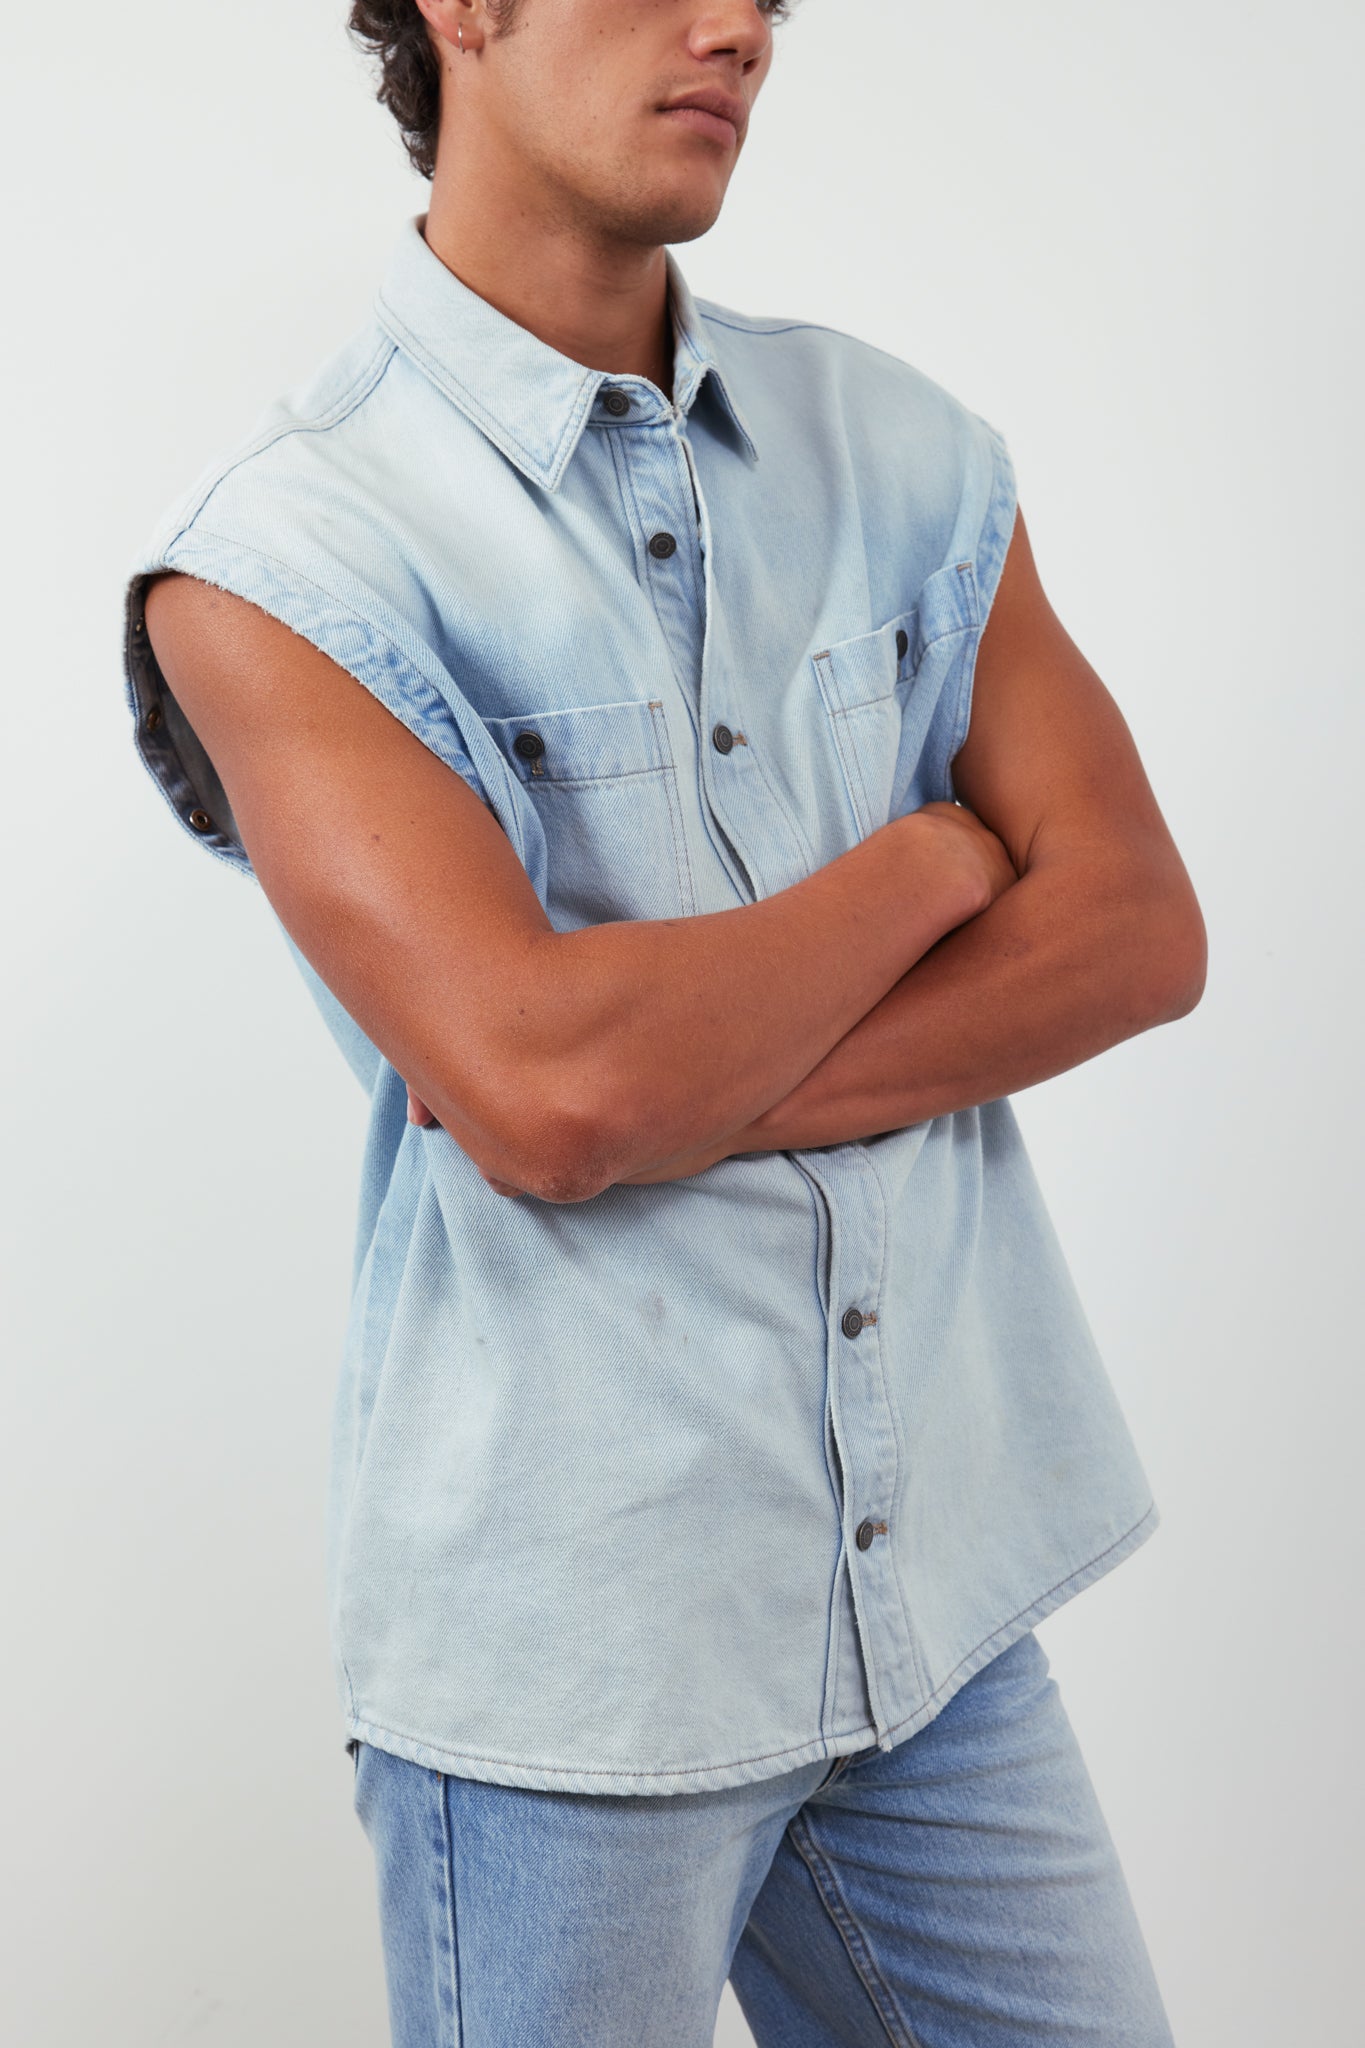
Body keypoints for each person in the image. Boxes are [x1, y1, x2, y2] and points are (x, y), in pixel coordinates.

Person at [123, 1, 1204, 2040]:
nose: (741, 29)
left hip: (926, 1614)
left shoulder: (900, 454)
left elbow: (1139, 929)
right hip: (569, 1675)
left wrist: (663, 1091)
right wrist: (924, 865)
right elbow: (543, 1088)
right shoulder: (279, 563)